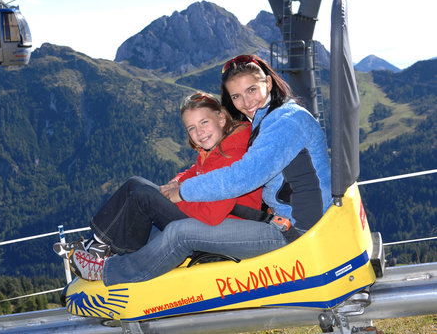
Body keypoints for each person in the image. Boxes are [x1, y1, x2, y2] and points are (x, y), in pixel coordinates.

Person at [66, 54, 331, 286]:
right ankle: (113, 254)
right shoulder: (267, 121)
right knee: (148, 201)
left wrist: (182, 192)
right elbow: (206, 168)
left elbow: (243, 177)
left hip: (295, 232)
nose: (245, 102)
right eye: (236, 96)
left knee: (181, 233)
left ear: (269, 83)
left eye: (252, 90)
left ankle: (110, 272)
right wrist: (178, 185)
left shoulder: (287, 122)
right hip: (280, 223)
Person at [57, 91, 262, 281]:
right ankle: (98, 246)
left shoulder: (232, 153)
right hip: (211, 219)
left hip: (221, 226)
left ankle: (105, 255)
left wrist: (176, 197)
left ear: (221, 118)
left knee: (143, 195)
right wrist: (176, 182)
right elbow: (195, 171)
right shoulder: (219, 146)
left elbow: (212, 214)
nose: (199, 133)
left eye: (204, 122)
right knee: (135, 184)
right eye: (191, 128)